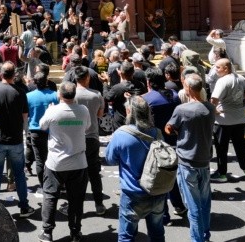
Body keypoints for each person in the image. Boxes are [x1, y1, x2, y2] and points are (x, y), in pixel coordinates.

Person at [106, 96, 166, 242]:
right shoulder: (157, 133)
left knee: (126, 236)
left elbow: (110, 159)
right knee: (157, 233)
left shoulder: (121, 134)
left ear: (129, 111)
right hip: (156, 190)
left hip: (132, 194)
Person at [0, 62, 34, 218]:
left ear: (1, 74)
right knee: (19, 174)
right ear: (14, 75)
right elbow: (25, 117)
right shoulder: (20, 92)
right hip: (15, 139)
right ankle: (24, 206)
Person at [165, 74, 215, 242]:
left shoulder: (182, 109)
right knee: (204, 201)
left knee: (193, 205)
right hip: (204, 160)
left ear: (187, 88)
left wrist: (178, 131)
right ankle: (205, 234)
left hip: (187, 162)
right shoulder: (209, 108)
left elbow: (169, 128)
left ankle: (197, 239)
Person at [38, 81, 90, 242]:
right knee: (76, 199)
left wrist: (49, 111)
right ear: (74, 95)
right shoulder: (83, 110)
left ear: (60, 94)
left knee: (50, 196)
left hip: (56, 163)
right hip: (79, 162)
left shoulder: (53, 111)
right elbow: (87, 127)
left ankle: (47, 232)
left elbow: (42, 126)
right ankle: (75, 232)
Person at [142, 67, 185, 221]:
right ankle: (178, 205)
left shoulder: (146, 99)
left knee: (158, 180)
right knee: (171, 176)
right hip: (174, 141)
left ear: (149, 82)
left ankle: (163, 213)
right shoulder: (174, 95)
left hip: (156, 144)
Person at [210, 58, 245, 182]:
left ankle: (222, 174)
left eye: (218, 67)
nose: (215, 69)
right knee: (241, 146)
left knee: (221, 148)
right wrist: (238, 98)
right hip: (239, 118)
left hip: (223, 120)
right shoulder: (240, 78)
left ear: (226, 68)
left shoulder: (222, 81)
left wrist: (214, 110)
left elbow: (214, 99)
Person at [72, 66, 106, 215]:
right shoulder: (96, 95)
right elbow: (100, 114)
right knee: (94, 172)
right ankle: (99, 203)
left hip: (75, 137)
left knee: (76, 173)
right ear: (87, 78)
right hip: (92, 136)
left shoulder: (70, 95)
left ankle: (76, 204)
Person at [26, 71, 59, 187]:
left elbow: (26, 114)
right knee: (53, 158)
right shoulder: (55, 95)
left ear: (34, 82)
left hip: (35, 131)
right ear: (46, 82)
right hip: (52, 132)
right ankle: (55, 182)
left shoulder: (28, 96)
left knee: (40, 160)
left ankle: (43, 185)